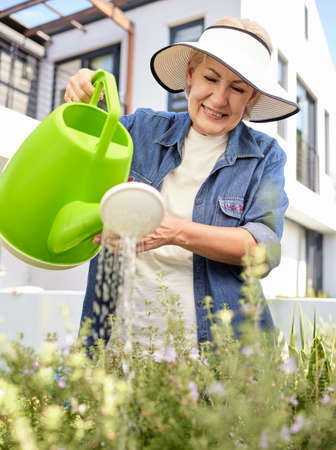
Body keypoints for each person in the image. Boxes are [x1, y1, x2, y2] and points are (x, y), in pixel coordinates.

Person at [64, 17, 299, 351]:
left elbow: (263, 251)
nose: (219, 99)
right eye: (211, 78)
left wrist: (173, 231)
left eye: (237, 88)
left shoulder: (265, 156)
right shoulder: (140, 130)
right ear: (190, 74)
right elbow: (79, 152)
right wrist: (82, 90)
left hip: (217, 358)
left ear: (251, 99)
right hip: (120, 345)